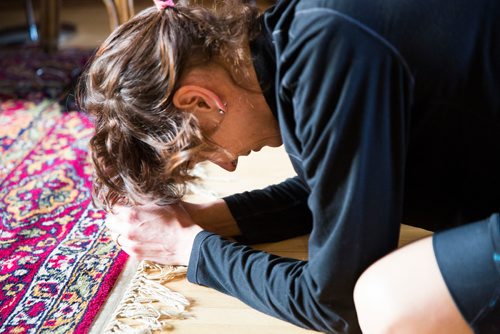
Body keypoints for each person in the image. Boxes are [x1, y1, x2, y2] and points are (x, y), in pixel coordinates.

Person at [77, 0, 500, 333]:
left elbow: (337, 302)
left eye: (200, 150)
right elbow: (343, 185)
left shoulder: (332, 57)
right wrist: (214, 219)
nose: (224, 166)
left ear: (199, 101)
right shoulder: (298, 40)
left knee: (390, 303)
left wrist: (192, 249)